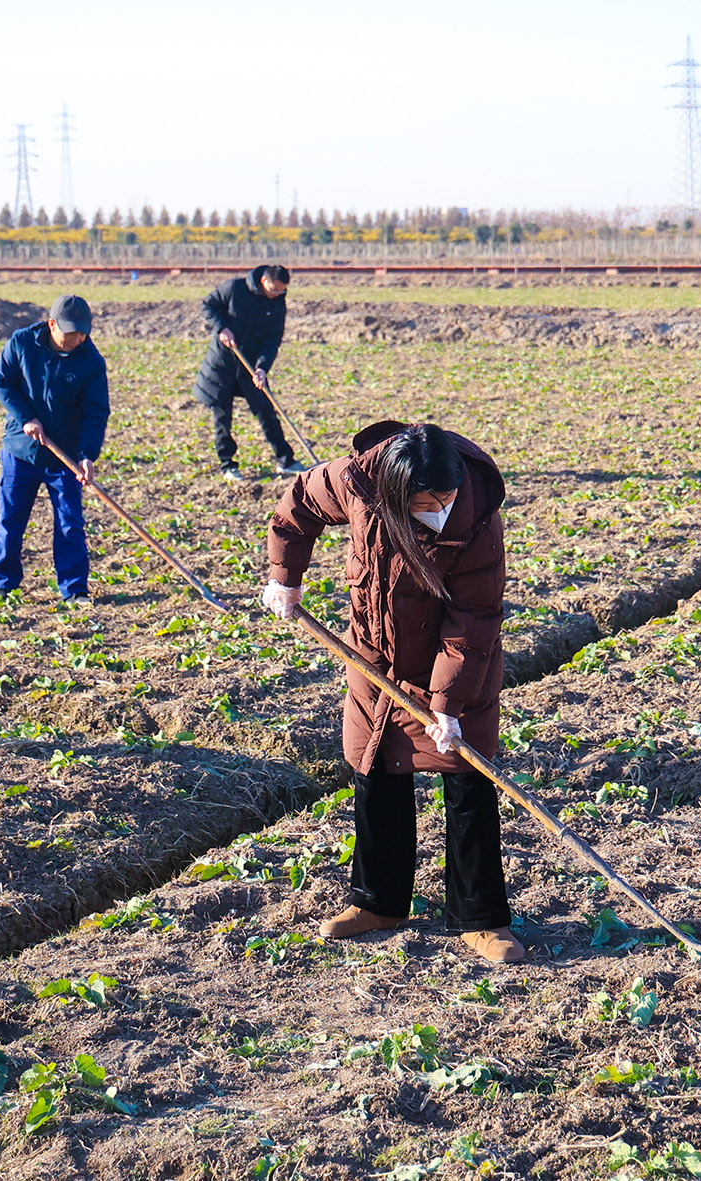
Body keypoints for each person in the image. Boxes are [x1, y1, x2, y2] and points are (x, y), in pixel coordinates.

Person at [261, 421, 521, 963]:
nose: (440, 511)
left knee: (468, 778)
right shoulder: (359, 482)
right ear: (397, 490)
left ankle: (480, 917)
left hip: (454, 663)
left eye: (445, 499)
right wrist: (286, 577)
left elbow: (472, 619)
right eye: (427, 503)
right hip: (374, 655)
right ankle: (379, 901)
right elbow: (298, 506)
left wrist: (447, 706)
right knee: (375, 768)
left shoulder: (477, 521)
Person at [0, 294, 110, 603]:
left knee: (70, 523)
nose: (78, 338)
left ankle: (74, 590)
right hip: (22, 449)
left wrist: (87, 455)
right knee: (11, 520)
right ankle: (3, 584)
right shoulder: (21, 343)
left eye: (83, 332)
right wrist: (26, 418)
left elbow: (96, 412)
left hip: (66, 456)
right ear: (52, 324)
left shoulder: (91, 362)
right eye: (71, 332)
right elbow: (3, 383)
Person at [193, 263, 307, 481]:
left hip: (251, 366)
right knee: (222, 416)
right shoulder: (234, 288)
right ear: (263, 281)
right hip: (224, 363)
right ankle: (228, 465)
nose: (276, 294)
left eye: (281, 291)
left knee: (267, 412)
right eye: (273, 289)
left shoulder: (277, 304)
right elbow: (208, 305)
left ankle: (286, 461)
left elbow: (273, 340)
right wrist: (222, 328)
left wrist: (262, 368)